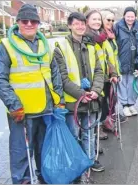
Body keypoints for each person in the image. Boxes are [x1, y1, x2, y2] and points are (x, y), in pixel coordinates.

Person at [0, 4, 64, 184]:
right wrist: (14, 105)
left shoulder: (44, 45)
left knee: (45, 151)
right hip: (23, 112)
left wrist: (59, 99)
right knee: (21, 154)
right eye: (25, 21)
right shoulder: (6, 46)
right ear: (18, 22)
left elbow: (54, 73)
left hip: (46, 109)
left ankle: (45, 178)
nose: (29, 24)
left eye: (33, 21)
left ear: (38, 23)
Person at [53, 12, 105, 178]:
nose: (80, 27)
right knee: (74, 136)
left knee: (89, 135)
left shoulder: (91, 46)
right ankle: (76, 169)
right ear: (69, 25)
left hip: (91, 101)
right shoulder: (61, 47)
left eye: (83, 24)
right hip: (73, 103)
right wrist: (82, 94)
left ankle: (88, 164)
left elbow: (99, 70)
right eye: (76, 24)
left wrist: (96, 91)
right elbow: (62, 78)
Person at [84, 9, 119, 140]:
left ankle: (101, 124)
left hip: (104, 76)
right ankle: (95, 130)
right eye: (95, 19)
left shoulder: (102, 36)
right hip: (92, 78)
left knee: (105, 103)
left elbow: (107, 58)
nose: (97, 22)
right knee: (96, 105)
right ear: (87, 21)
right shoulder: (86, 37)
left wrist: (114, 72)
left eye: (99, 19)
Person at [100, 9, 127, 127]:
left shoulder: (111, 35)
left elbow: (114, 55)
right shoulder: (100, 36)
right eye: (108, 19)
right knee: (103, 100)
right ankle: (101, 123)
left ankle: (109, 119)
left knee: (112, 98)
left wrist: (116, 72)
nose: (111, 22)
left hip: (113, 73)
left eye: (112, 20)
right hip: (104, 74)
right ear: (102, 20)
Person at [114, 7, 138, 117]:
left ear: (135, 17)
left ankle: (131, 104)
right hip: (122, 60)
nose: (130, 18)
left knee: (133, 83)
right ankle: (125, 105)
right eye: (128, 16)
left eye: (132, 16)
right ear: (124, 16)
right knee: (122, 84)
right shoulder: (117, 27)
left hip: (135, 61)